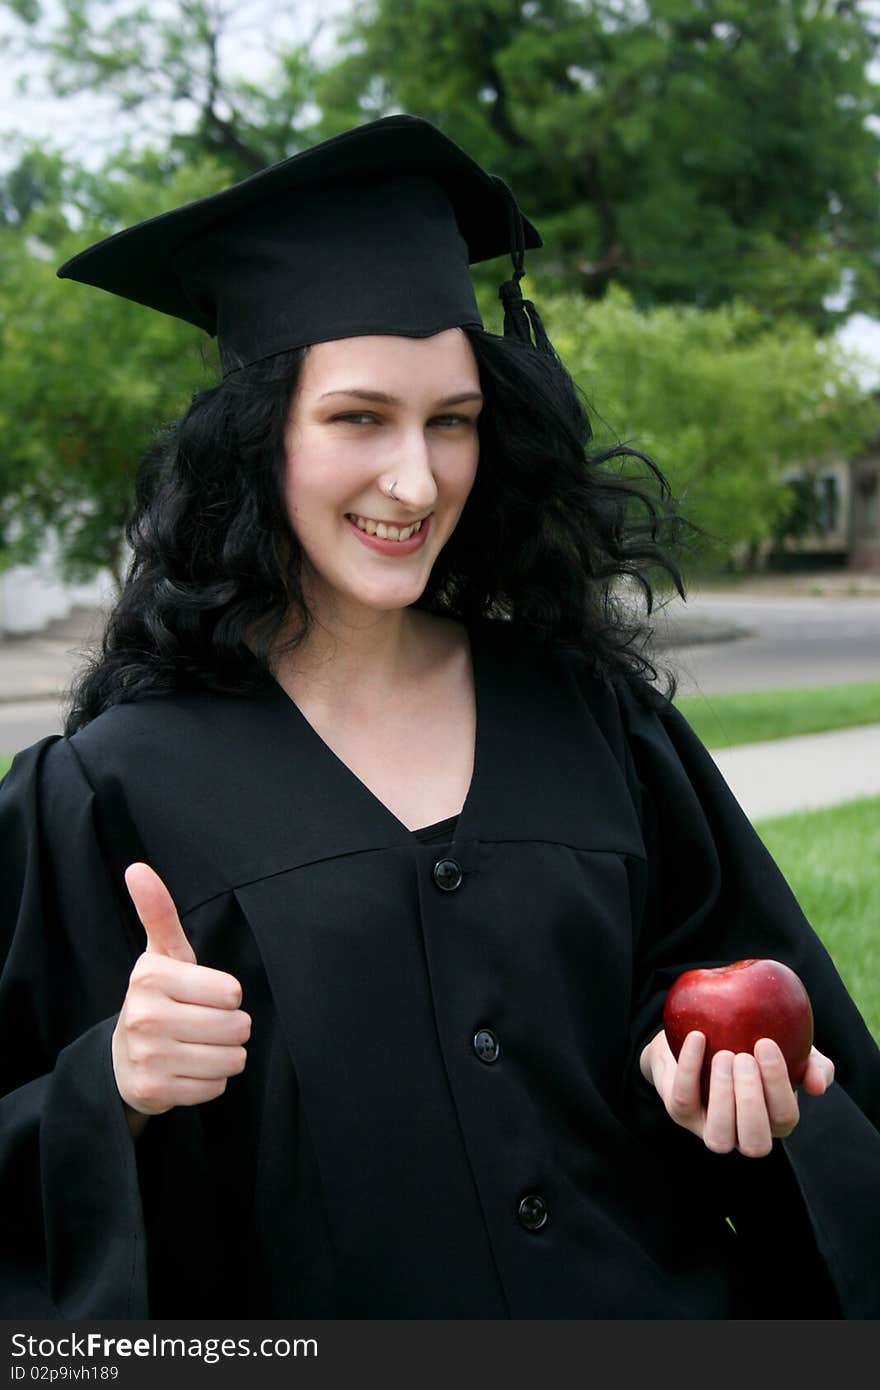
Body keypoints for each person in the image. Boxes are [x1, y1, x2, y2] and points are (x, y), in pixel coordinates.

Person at [1, 114, 878, 1321]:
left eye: (450, 420)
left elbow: (791, 1079)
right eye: (359, 417)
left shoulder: (595, 728)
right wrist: (110, 1085)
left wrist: (716, 1092)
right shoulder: (109, 794)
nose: (415, 480)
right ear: (257, 444)